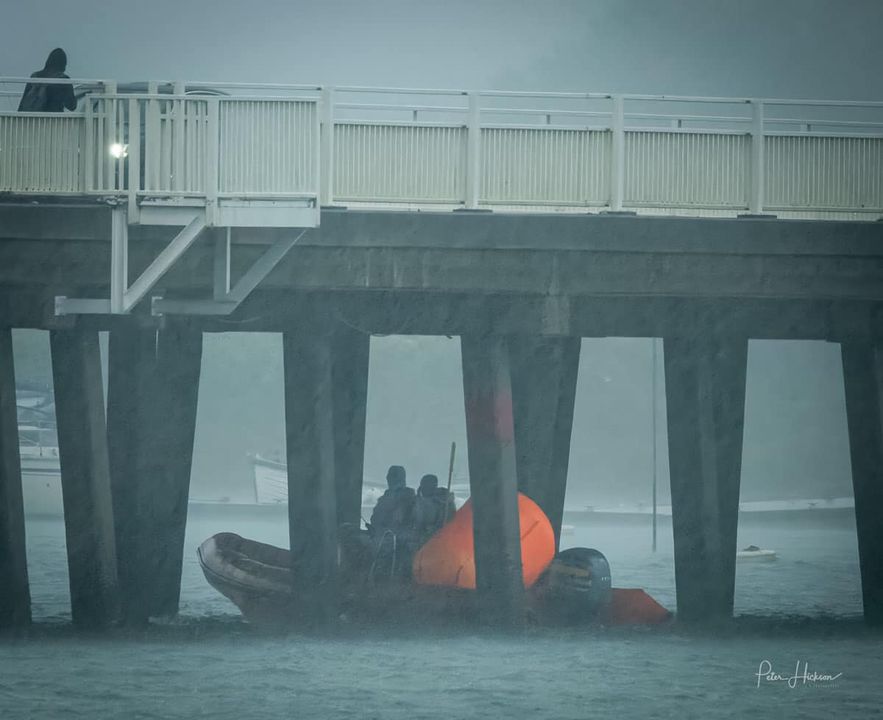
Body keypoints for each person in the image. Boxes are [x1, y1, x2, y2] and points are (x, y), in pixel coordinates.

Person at [18, 48, 77, 113]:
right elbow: (72, 106)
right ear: (63, 63)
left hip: (31, 119)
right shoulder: (63, 79)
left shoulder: (34, 76)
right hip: (53, 120)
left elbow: (23, 102)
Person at [412, 474, 457, 547]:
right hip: (417, 539)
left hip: (438, 540)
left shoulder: (444, 502)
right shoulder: (416, 500)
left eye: (428, 485)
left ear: (434, 486)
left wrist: (434, 530)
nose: (424, 487)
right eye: (423, 484)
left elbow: (449, 523)